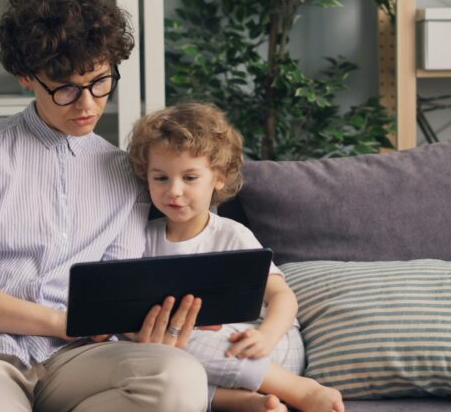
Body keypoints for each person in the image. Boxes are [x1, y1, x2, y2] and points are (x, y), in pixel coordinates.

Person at [0, 0, 209, 412]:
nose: (87, 104)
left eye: (100, 82)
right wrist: (57, 321)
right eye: (66, 88)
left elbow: (116, 286)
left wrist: (140, 327)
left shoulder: (127, 172)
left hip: (80, 357)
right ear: (27, 78)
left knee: (178, 376)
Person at [128, 103, 346, 412]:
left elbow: (282, 296)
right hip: (186, 351)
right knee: (144, 351)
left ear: (218, 177)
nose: (173, 191)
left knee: (178, 345)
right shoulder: (142, 237)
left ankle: (295, 389)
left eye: (190, 177)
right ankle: (244, 402)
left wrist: (267, 335)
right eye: (160, 178)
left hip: (263, 347)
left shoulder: (231, 235)